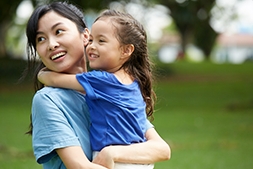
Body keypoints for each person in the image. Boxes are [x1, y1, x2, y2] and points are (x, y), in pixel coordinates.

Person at [25, 1, 171, 169]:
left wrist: (112, 153)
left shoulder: (114, 90)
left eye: (59, 31)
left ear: (85, 36)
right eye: (41, 39)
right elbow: (80, 166)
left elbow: (162, 149)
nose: (51, 45)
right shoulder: (48, 99)